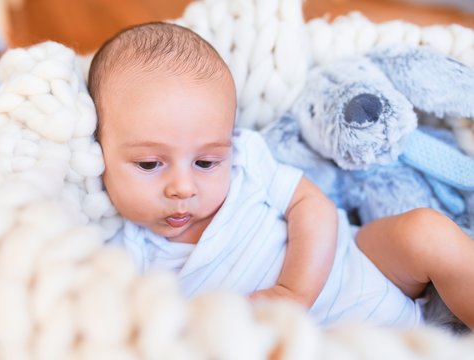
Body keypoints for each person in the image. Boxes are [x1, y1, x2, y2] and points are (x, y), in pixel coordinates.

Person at [88, 22, 474, 329]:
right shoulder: (125, 257)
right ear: (99, 148)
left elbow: (312, 206)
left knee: (426, 233)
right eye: (149, 164)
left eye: (206, 163)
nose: (183, 187)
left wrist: (295, 292)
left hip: (361, 264)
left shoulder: (247, 160)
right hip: (329, 342)